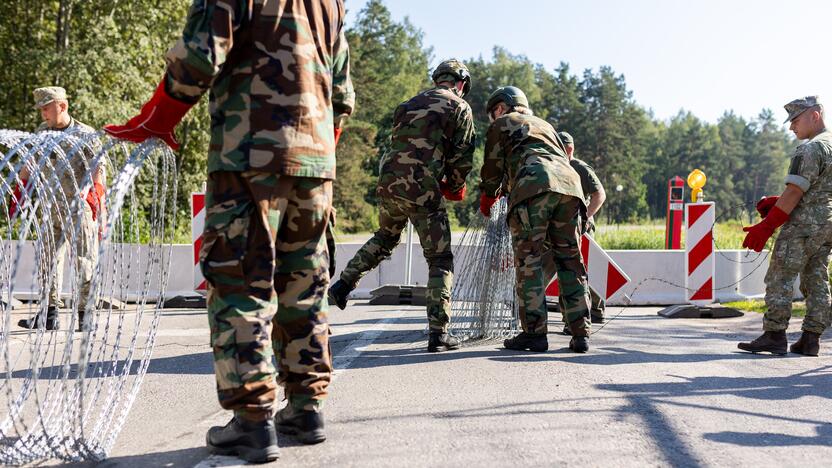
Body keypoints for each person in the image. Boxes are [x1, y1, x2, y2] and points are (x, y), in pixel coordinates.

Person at [105, 1, 354, 462]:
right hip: (316, 162)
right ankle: (306, 409)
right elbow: (341, 94)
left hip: (249, 154)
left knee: (241, 281)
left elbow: (200, 56)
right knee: (305, 287)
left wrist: (156, 120)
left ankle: (253, 421)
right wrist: (314, 155)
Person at [328, 59, 476, 353]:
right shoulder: (459, 107)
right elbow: (462, 157)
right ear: (460, 83)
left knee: (385, 237)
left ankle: (343, 285)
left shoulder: (407, 104)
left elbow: (400, 144)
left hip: (390, 183)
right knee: (440, 258)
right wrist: (456, 187)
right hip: (422, 188)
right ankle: (439, 333)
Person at [479, 86, 591, 353]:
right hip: (570, 190)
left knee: (529, 261)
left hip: (533, 188)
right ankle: (580, 333)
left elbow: (493, 168)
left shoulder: (503, 123)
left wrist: (488, 197)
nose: (493, 117)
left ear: (501, 107)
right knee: (570, 261)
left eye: (493, 112)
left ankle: (534, 334)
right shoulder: (546, 125)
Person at [738, 96, 832, 357]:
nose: (792, 127)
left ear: (815, 115)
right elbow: (818, 190)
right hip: (828, 225)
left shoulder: (811, 149)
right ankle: (811, 339)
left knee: (780, 275)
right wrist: (776, 201)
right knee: (816, 278)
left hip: (803, 225)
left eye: (796, 120)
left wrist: (766, 226)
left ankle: (775, 335)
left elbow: (795, 193)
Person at [14, 86, 105, 333]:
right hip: (50, 206)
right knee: (48, 261)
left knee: (84, 261)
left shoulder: (84, 133)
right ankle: (49, 314)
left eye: (46, 108)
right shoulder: (43, 132)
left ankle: (86, 315)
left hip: (78, 207)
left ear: (61, 106)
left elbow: (98, 166)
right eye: (41, 109)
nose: (43, 113)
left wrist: (93, 195)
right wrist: (19, 188)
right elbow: (30, 161)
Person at [557, 131, 607, 334]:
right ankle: (572, 316)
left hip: (581, 227)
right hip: (562, 225)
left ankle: (592, 310)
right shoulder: (555, 167)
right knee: (569, 269)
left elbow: (599, 194)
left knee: (581, 269)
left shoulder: (579, 168)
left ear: (570, 149)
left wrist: (585, 217)